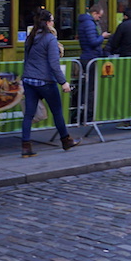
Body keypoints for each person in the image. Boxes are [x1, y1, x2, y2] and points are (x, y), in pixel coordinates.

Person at [20, 9, 80, 157]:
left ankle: (26, 147)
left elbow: (27, 59)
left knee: (28, 114)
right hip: (45, 81)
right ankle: (66, 140)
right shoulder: (50, 39)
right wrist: (63, 82)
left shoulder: (31, 37)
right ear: (48, 23)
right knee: (57, 111)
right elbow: (54, 64)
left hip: (29, 79)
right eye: (52, 20)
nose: (53, 23)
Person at [76, 1, 109, 123]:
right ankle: (88, 114)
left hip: (88, 56)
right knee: (90, 88)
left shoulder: (85, 22)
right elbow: (93, 42)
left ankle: (84, 113)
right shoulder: (89, 24)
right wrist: (103, 36)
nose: (99, 19)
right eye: (99, 16)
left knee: (87, 86)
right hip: (91, 57)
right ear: (94, 13)